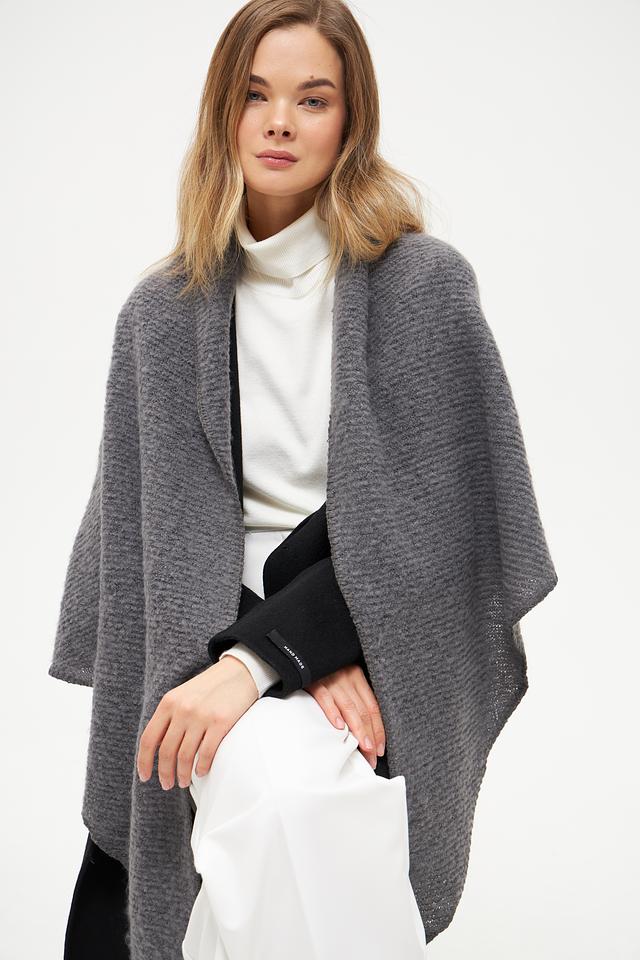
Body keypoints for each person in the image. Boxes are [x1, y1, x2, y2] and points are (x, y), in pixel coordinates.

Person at [52, 1, 558, 958]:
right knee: (268, 799)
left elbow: (436, 526)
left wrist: (275, 657)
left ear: (351, 120)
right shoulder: (161, 313)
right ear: (223, 112)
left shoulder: (422, 288)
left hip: (368, 625)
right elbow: (149, 538)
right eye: (255, 95)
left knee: (309, 804)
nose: (279, 122)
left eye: (312, 99)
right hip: (200, 627)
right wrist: (257, 656)